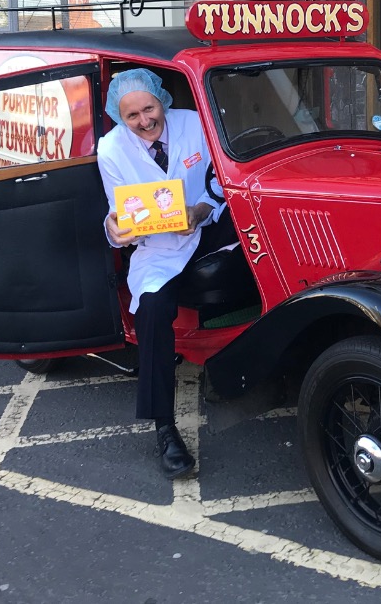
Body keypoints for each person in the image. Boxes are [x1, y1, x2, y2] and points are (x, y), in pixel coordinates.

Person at [97, 68, 235, 480]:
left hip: (209, 232)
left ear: (163, 100)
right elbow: (117, 212)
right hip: (157, 249)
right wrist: (113, 230)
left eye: (149, 108)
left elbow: (222, 182)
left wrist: (200, 210)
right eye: (132, 115)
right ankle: (164, 427)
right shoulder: (111, 149)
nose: (144, 121)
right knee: (153, 309)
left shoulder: (195, 123)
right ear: (119, 117)